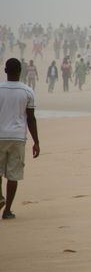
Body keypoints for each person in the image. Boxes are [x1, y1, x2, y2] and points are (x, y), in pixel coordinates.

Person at [0, 58, 40, 219]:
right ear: (20, 72)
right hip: (17, 138)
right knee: (13, 175)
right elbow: (31, 118)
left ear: (5, 71)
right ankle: (7, 210)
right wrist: (36, 141)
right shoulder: (27, 91)